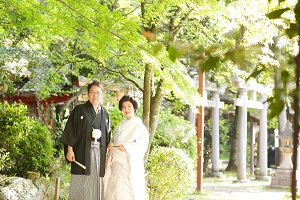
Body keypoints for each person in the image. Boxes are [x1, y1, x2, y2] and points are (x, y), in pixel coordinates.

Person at [60, 80, 111, 200]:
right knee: (81, 180)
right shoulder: (79, 110)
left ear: (102, 95)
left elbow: (108, 135)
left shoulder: (105, 113)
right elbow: (71, 130)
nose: (95, 95)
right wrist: (69, 149)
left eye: (98, 93)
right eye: (92, 92)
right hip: (82, 151)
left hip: (100, 152)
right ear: (87, 94)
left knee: (97, 180)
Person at [104, 95, 149, 200]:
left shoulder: (139, 126)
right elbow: (115, 141)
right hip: (116, 165)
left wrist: (127, 147)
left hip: (128, 165)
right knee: (114, 191)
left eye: (129, 106)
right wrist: (111, 145)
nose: (126, 109)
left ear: (134, 107)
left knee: (126, 192)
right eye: (124, 107)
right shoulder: (120, 126)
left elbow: (143, 143)